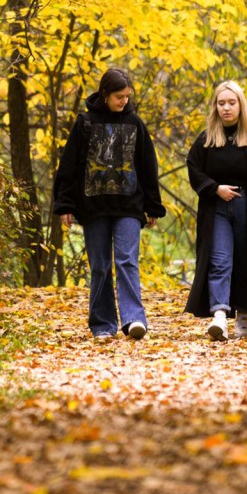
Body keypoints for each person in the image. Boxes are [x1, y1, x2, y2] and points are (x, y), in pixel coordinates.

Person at [53, 67, 166, 340]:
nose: (124, 101)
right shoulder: (85, 123)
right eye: (119, 96)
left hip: (129, 205)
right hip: (93, 207)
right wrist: (65, 205)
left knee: (127, 260)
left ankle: (134, 320)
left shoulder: (135, 124)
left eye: (127, 96)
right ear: (105, 94)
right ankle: (103, 324)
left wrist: (153, 205)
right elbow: (68, 167)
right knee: (101, 265)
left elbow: (147, 167)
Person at [184, 80, 247, 340]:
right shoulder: (207, 138)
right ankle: (219, 315)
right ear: (215, 106)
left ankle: (242, 318)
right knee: (219, 260)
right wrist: (214, 188)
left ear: (241, 105)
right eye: (221, 103)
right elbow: (193, 166)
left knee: (245, 261)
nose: (226, 108)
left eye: (231, 103)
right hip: (217, 208)